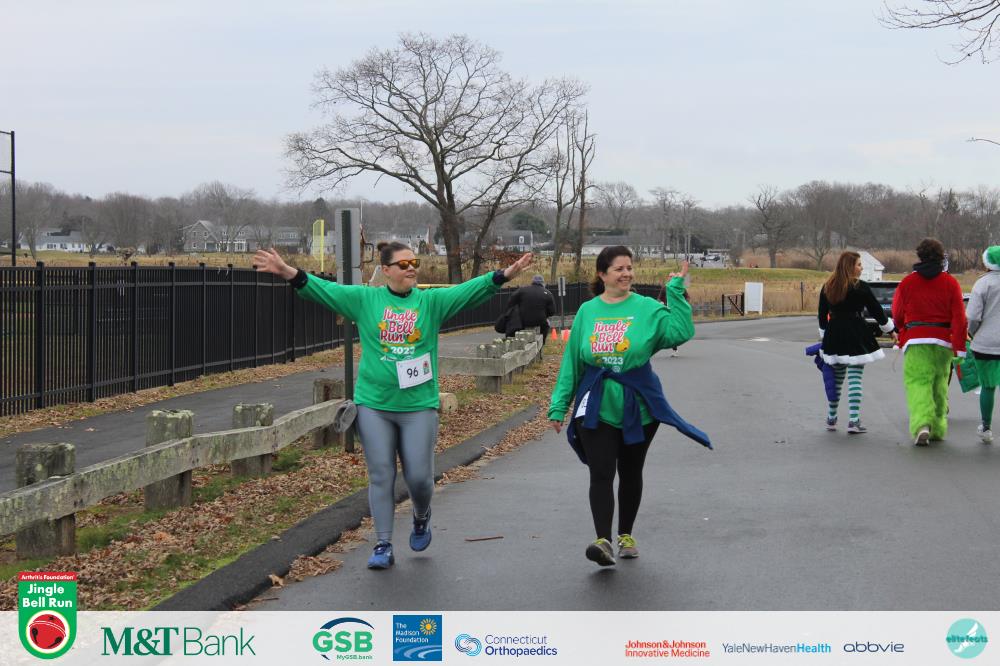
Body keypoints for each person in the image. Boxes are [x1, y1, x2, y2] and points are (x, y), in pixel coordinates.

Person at [253, 242, 533, 569]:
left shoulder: (430, 303)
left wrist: (504, 274)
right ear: (385, 270)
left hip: (418, 406)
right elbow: (324, 291)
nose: (411, 268)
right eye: (403, 264)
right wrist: (288, 271)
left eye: (414, 262)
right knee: (381, 474)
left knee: (419, 477)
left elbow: (469, 291)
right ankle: (383, 543)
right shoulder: (366, 300)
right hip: (374, 405)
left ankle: (421, 515)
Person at [547, 246, 711, 567]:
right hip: (596, 402)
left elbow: (682, 331)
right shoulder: (587, 311)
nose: (626, 274)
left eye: (629, 268)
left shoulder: (647, 308)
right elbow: (572, 363)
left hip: (638, 405)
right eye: (619, 269)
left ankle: (625, 535)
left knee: (631, 471)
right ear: (602, 274)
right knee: (601, 472)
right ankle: (603, 541)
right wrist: (559, 405)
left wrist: (676, 291)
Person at [892, 238, 968, 446]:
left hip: (916, 338)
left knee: (918, 383)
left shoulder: (907, 282)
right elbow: (959, 318)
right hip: (943, 341)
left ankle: (922, 424)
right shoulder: (951, 283)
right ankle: (937, 426)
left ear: (920, 255)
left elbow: (897, 313)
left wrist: (902, 328)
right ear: (941, 257)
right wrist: (959, 347)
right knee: (939, 383)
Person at [818, 251, 897, 434]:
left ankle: (831, 417)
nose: (861, 268)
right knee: (855, 378)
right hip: (856, 332)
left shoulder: (828, 286)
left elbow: (822, 315)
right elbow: (877, 311)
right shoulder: (861, 287)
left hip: (834, 333)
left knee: (836, 379)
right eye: (859, 264)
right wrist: (891, 330)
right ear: (850, 266)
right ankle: (854, 420)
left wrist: (824, 335)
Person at [965, 245, 1000, 444]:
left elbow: (973, 316)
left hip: (986, 344)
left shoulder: (983, 284)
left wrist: (971, 333)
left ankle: (986, 427)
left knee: (988, 386)